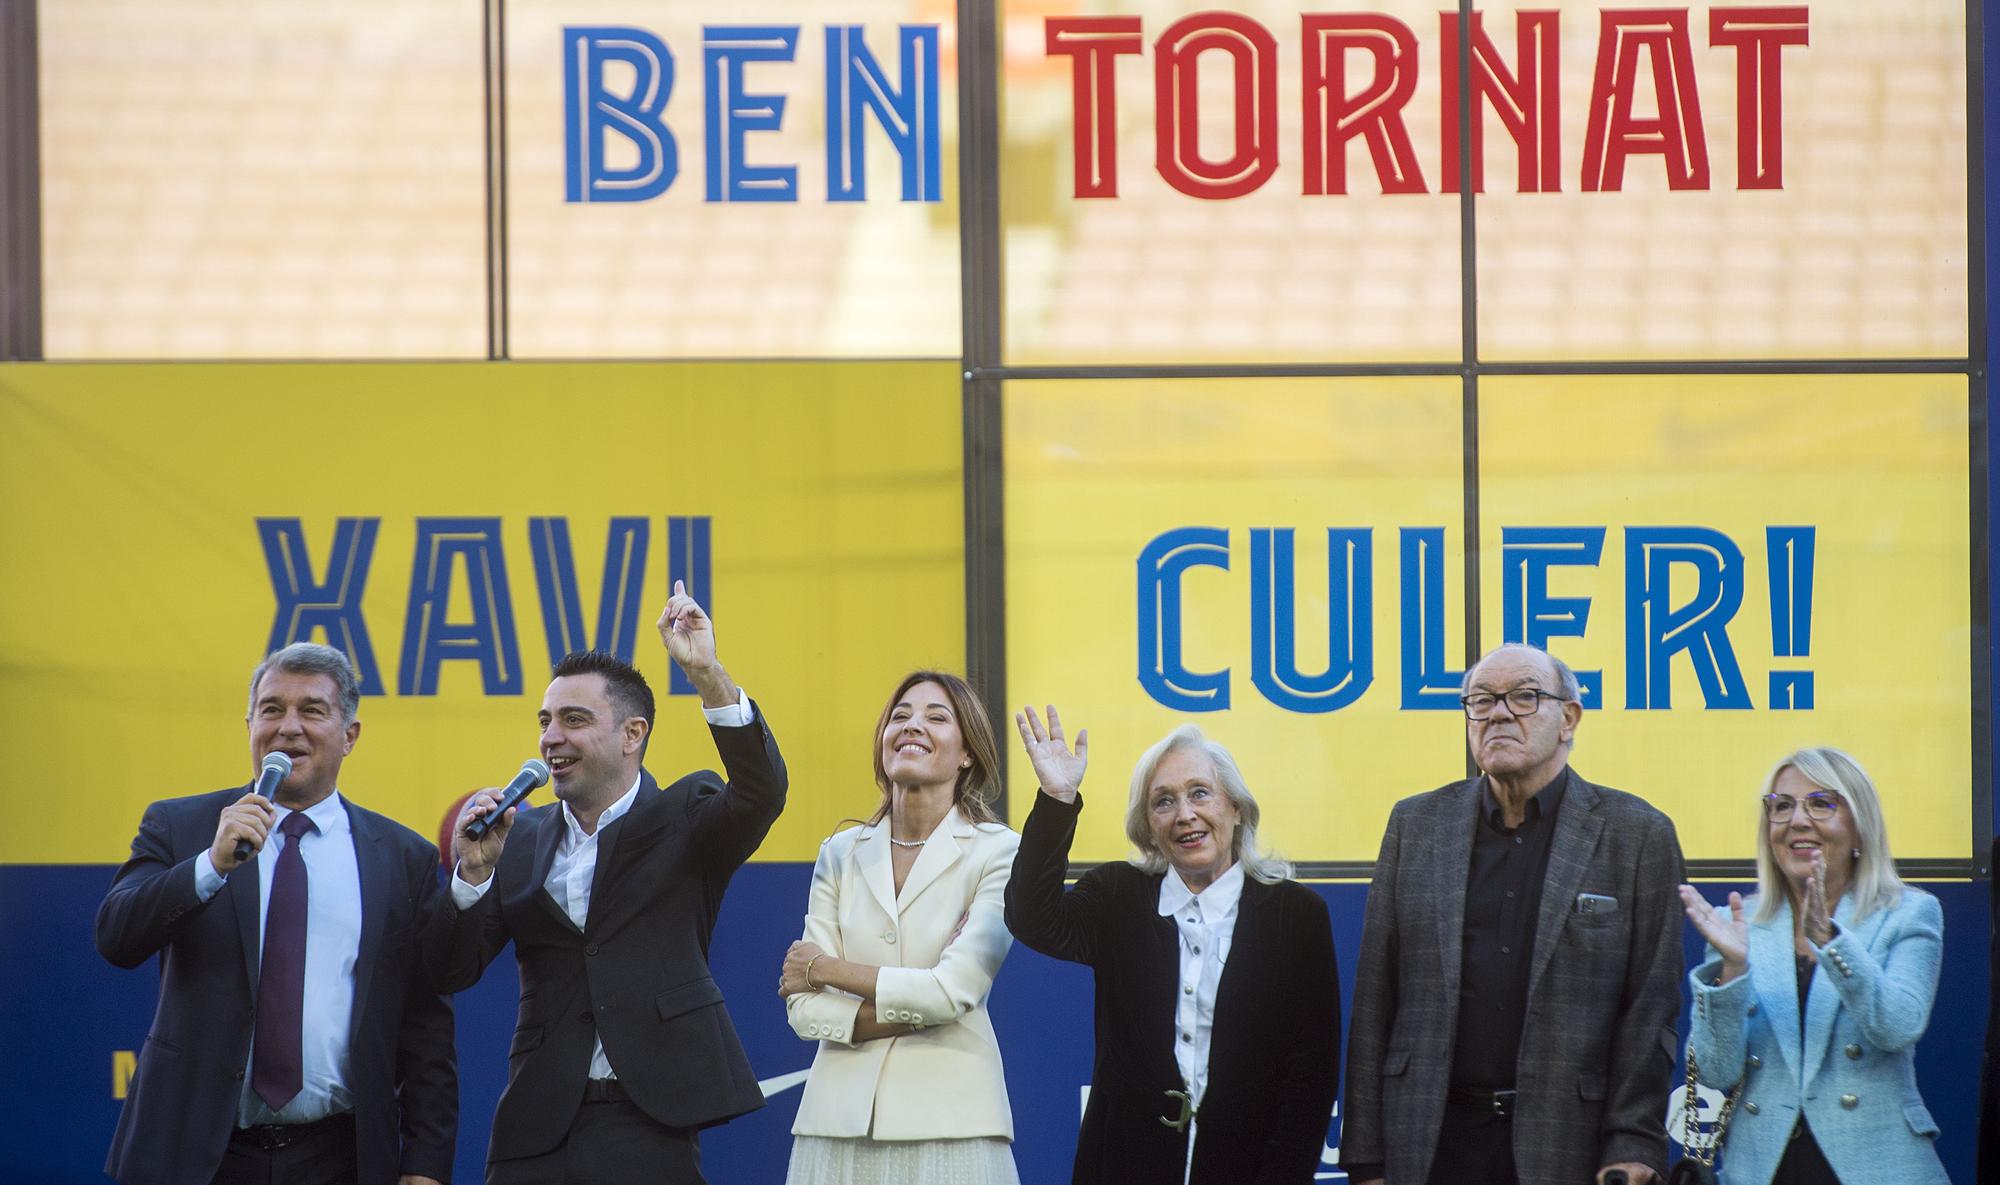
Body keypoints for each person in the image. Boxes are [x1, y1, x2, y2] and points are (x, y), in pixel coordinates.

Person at [426, 582, 787, 1184]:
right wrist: (472, 874)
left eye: (574, 720)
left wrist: (708, 674)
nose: (551, 738)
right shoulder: (516, 839)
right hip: (536, 1126)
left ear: (632, 734)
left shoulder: (686, 815)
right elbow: (449, 970)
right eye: (545, 721)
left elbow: (761, 792)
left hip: (651, 1117)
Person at [94, 642, 456, 1185]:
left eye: (311, 710)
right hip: (195, 1155)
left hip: (341, 1156)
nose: (288, 728)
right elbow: (116, 937)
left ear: (349, 735)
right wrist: (211, 865)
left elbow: (424, 1023)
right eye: (272, 709)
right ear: (249, 725)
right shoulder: (182, 827)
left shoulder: (402, 858)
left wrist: (424, 1164)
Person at [1344, 643, 1685, 1185]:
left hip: (1569, 1144)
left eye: (1525, 697)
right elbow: (1375, 999)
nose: (1499, 713)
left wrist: (1633, 1142)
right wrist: (1365, 1157)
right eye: (1481, 701)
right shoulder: (1416, 826)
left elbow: (1650, 1009)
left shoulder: (1637, 835)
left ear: (1569, 718)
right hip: (1430, 1146)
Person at [1005, 707, 1340, 1184]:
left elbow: (1311, 1075)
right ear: (1148, 827)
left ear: (1235, 807)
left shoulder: (1296, 914)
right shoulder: (1118, 895)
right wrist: (1059, 798)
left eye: (1199, 793)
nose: (1185, 814)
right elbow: (1032, 919)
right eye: (1163, 802)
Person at [778, 670, 1022, 1183]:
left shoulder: (999, 851)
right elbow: (802, 1010)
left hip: (952, 1129)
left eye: (936, 717)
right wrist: (925, 1008)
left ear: (967, 753)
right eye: (901, 716)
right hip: (833, 1131)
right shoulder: (840, 853)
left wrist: (824, 968)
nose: (913, 726)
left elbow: (954, 992)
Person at [1679, 748, 1948, 1185]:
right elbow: (1715, 1072)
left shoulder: (1909, 913)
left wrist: (1829, 941)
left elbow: (1898, 1026)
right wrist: (1733, 969)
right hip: (1762, 1170)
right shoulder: (1737, 924)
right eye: (1782, 806)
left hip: (1878, 1169)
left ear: (1860, 826)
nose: (1798, 820)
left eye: (1821, 803)